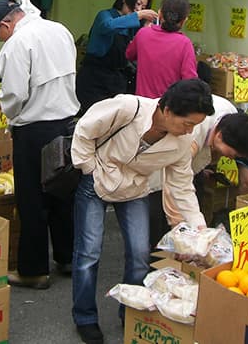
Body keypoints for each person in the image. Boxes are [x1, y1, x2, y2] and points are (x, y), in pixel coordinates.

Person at [70, 79, 214, 344]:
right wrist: (88, 168)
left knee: (139, 254)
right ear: (167, 110)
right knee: (88, 252)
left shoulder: (182, 143)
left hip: (135, 189)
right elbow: (84, 129)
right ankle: (85, 317)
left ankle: (131, 313)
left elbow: (182, 186)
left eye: (194, 126)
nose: (189, 131)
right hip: (99, 179)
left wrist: (200, 230)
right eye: (187, 123)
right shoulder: (128, 107)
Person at [0, 0, 80, 289]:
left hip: (34, 130)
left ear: (5, 24)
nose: (0, 39)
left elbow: (13, 94)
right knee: (62, 192)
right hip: (66, 124)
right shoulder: (60, 30)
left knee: (32, 200)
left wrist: (7, 115)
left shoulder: (16, 43)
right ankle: (67, 258)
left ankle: (34, 270)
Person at [150, 95, 248, 246]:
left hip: (185, 168)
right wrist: (178, 228)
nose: (231, 159)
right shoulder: (190, 134)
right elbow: (174, 184)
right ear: (220, 135)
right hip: (155, 171)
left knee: (191, 213)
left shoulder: (230, 117)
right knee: (161, 231)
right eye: (234, 154)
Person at [76, 0, 157, 115]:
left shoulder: (134, 26)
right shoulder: (105, 15)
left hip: (116, 81)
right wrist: (138, 15)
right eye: (138, 3)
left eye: (143, 7)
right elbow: (108, 26)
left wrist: (146, 29)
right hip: (94, 78)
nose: (139, 9)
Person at [126, 0, 197, 98]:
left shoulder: (143, 33)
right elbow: (190, 82)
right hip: (169, 108)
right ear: (184, 20)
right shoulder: (185, 43)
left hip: (142, 105)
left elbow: (129, 54)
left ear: (159, 14)